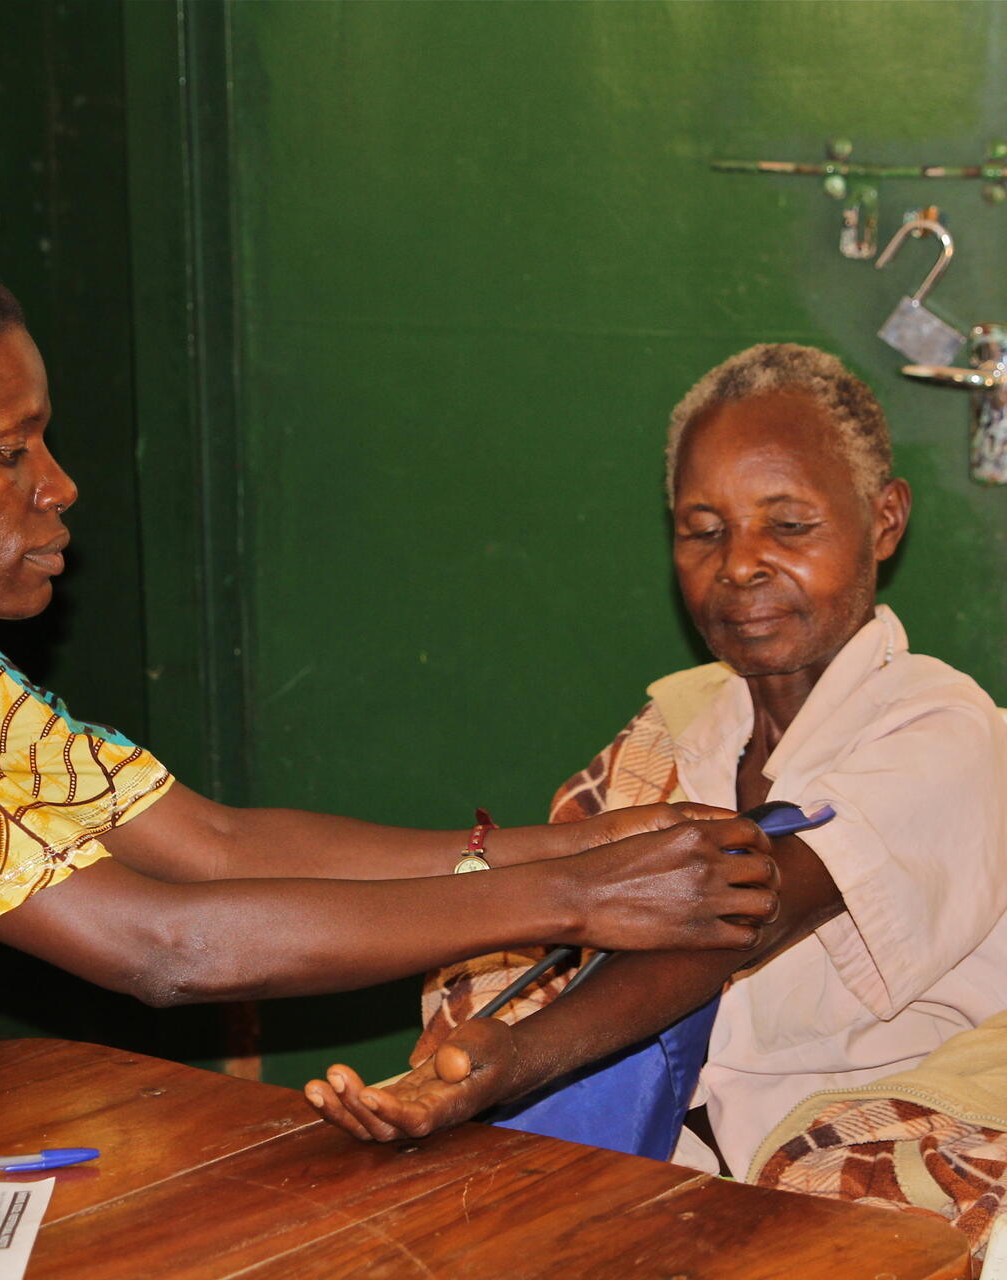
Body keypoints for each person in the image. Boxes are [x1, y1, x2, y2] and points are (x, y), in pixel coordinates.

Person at [0, 251, 780, 1117]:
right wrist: (579, 898)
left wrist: (564, 845)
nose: (59, 485)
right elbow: (158, 944)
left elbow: (206, 843)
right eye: (11, 452)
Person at [304, 343, 1007, 1182]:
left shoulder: (950, 731)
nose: (739, 563)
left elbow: (739, 907)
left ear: (884, 519)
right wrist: (458, 1068)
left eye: (788, 526)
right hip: (675, 1146)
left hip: (864, 1148)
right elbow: (544, 912)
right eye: (703, 531)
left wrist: (521, 1060)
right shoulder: (674, 732)